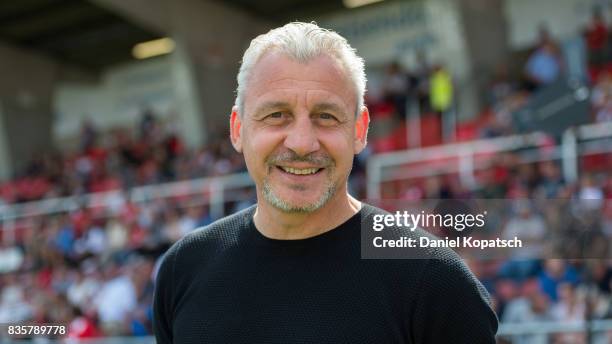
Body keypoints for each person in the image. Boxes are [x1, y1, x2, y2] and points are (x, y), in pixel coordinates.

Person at [153, 22, 498, 343]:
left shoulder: (433, 281)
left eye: (326, 116)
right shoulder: (183, 269)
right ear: (238, 129)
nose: (302, 143)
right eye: (277, 115)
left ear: (360, 130)